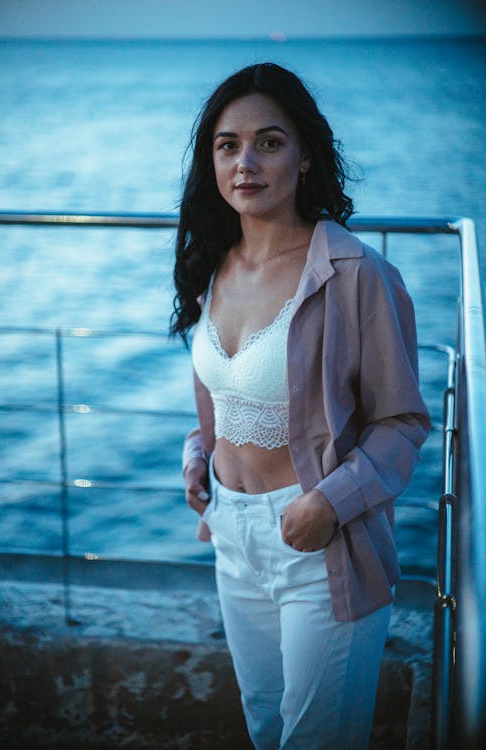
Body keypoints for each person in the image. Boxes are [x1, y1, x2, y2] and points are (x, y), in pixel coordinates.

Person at [170, 62, 430, 750]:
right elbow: (225, 396)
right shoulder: (214, 265)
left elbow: (403, 422)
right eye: (228, 145)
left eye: (270, 142)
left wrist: (331, 503)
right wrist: (200, 454)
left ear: (306, 153)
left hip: (321, 546)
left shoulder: (355, 275)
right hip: (231, 536)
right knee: (265, 727)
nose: (246, 162)